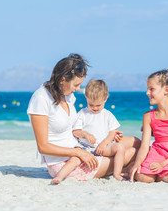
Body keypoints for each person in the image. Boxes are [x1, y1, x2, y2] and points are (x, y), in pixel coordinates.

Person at [27, 54, 140, 183]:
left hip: (81, 147)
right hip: (65, 162)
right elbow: (43, 147)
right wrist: (78, 153)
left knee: (135, 141)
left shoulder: (68, 96)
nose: (78, 89)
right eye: (76, 84)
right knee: (131, 152)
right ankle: (133, 170)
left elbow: (75, 128)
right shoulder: (41, 98)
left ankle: (139, 167)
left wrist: (106, 133)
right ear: (63, 79)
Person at [52, 79, 126, 183]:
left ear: (105, 99)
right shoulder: (83, 113)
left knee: (120, 147)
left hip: (102, 148)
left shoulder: (107, 114)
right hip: (85, 148)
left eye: (98, 105)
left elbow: (113, 132)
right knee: (75, 159)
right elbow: (75, 131)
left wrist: (104, 143)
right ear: (86, 98)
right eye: (91, 105)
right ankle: (59, 177)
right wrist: (85, 134)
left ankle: (117, 173)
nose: (95, 108)